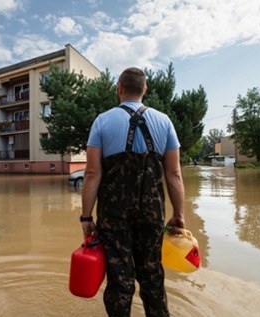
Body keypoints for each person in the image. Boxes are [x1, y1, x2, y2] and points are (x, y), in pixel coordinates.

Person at [80, 67, 185, 317]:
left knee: (119, 279)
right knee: (152, 275)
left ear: (119, 89)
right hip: (152, 213)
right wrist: (179, 214)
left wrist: (86, 218)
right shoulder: (164, 121)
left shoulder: (102, 121)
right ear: (144, 90)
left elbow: (93, 174)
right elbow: (174, 174)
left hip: (113, 215)